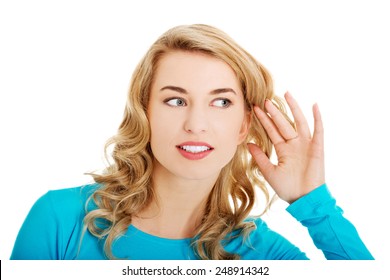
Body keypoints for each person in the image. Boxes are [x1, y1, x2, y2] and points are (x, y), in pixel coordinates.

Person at [10, 24, 373, 260]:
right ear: (145, 112)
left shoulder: (259, 253)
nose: (196, 124)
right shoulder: (60, 220)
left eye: (221, 102)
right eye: (175, 100)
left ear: (244, 124)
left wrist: (314, 203)